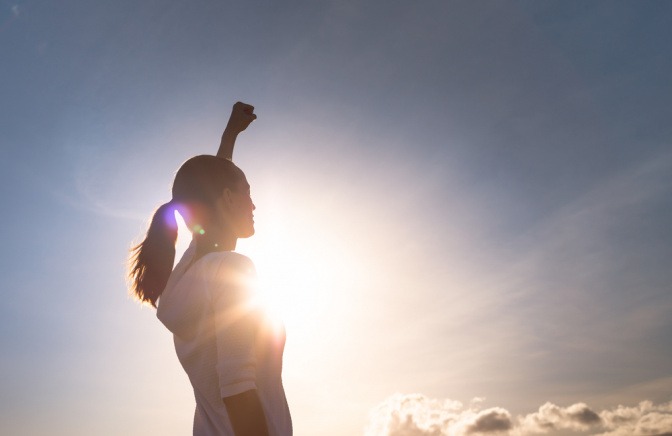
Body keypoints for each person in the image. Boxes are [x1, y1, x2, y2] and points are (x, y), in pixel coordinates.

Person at [128, 102, 292, 436]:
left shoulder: (187, 275)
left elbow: (207, 193)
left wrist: (230, 136)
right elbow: (237, 390)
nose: (254, 203)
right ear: (229, 198)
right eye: (248, 192)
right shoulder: (232, 271)